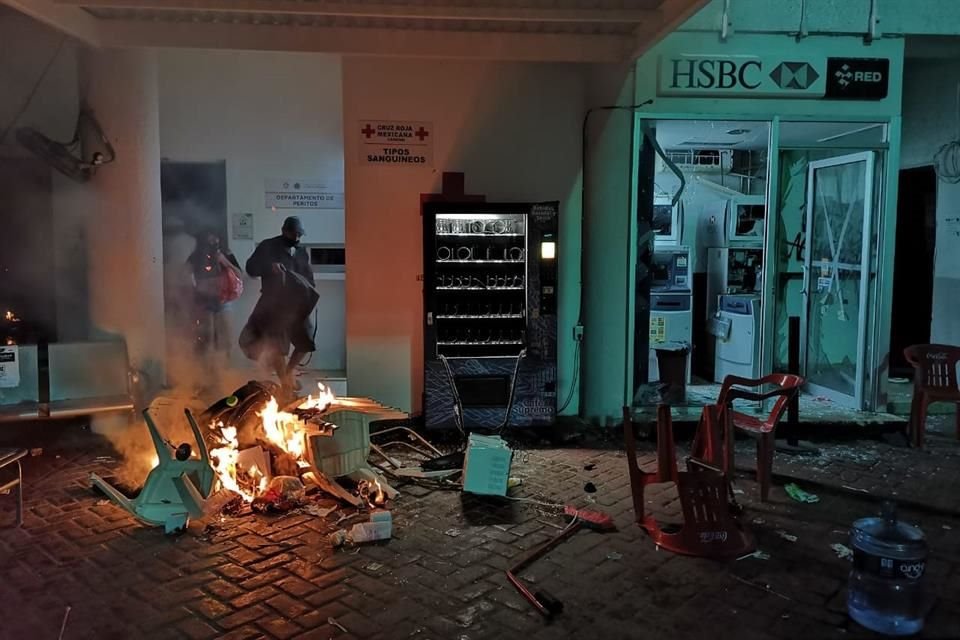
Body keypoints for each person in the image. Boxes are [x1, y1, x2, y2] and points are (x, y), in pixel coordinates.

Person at [240, 216, 318, 391]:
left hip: (296, 304)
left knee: (306, 339)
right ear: (284, 231)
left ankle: (289, 371)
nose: (297, 238)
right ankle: (285, 382)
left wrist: (309, 292)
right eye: (293, 234)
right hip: (273, 304)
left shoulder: (301, 252)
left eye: (299, 235)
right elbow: (251, 268)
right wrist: (269, 267)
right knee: (277, 345)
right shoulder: (268, 246)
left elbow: (308, 277)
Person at [187, 230, 243, 370]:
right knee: (206, 340)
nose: (212, 242)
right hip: (204, 302)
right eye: (209, 239)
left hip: (224, 302)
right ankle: (207, 375)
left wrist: (225, 262)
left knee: (226, 340)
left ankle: (225, 372)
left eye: (215, 239)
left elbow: (239, 274)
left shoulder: (226, 253)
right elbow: (186, 274)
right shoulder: (196, 256)